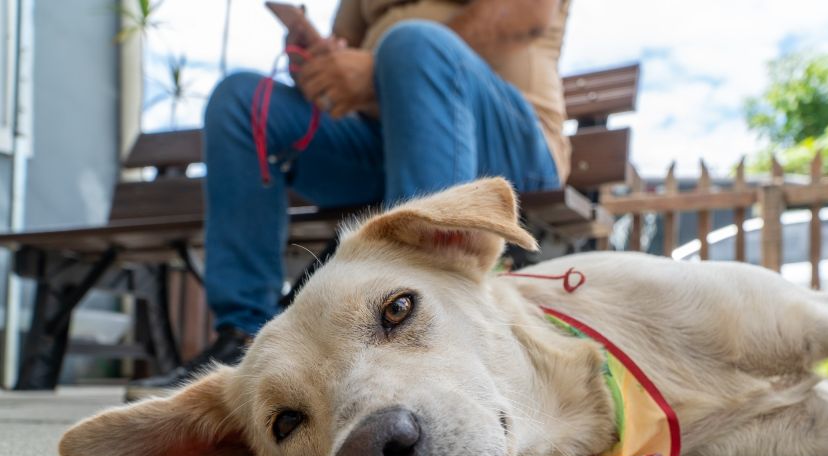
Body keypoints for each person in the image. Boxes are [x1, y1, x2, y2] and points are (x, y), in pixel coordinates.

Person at [128, 0, 572, 399]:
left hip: (509, 136)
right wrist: (320, 64)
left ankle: (431, 327)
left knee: (412, 44)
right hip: (386, 137)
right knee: (240, 100)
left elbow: (528, 12)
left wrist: (374, 70)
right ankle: (243, 337)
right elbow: (350, 55)